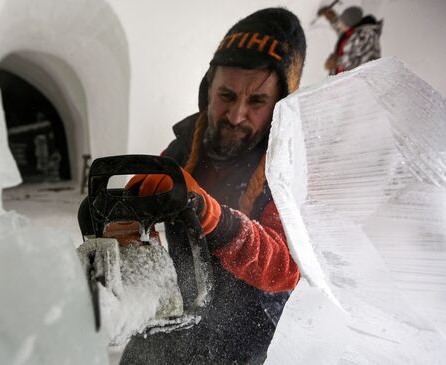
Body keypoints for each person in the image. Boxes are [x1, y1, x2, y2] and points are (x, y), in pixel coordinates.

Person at [118, 7, 306, 364]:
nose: (236, 116)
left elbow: (286, 269)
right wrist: (132, 220)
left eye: (256, 101)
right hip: (167, 324)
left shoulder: (289, 166)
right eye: (227, 95)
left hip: (242, 344)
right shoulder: (184, 145)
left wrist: (216, 220)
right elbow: (146, 219)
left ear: (280, 105)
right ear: (208, 90)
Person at [319, 5, 383, 75]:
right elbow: (341, 28)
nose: (340, 25)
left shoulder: (367, 35)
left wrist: (337, 61)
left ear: (350, 24)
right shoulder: (352, 31)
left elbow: (360, 61)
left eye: (342, 23)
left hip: (360, 81)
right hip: (343, 78)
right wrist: (332, 18)